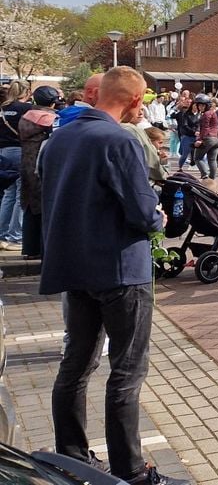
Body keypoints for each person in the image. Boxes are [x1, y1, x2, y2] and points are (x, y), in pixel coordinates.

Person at [41, 67, 188, 485]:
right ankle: (132, 470)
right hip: (120, 269)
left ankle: (71, 455)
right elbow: (143, 213)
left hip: (74, 267)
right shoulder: (120, 139)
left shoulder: (60, 137)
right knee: (127, 370)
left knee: (76, 364)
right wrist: (157, 217)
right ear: (136, 101)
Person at [18, 85, 59, 259]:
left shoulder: (25, 116)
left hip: (26, 163)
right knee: (45, 206)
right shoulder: (51, 119)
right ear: (52, 102)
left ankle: (29, 248)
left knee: (29, 205)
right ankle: (44, 250)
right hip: (42, 165)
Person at [0, 81, 32, 249]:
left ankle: (2, 234)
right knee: (21, 193)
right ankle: (15, 236)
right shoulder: (26, 109)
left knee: (8, 193)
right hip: (19, 151)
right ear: (26, 92)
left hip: (3, 152)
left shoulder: (3, 108)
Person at [191, 94, 218, 180]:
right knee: (212, 160)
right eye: (199, 105)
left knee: (197, 158)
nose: (200, 107)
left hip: (208, 138)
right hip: (216, 138)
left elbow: (205, 128)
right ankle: (212, 179)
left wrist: (200, 140)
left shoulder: (206, 115)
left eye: (203, 105)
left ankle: (205, 176)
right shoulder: (213, 113)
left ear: (207, 105)